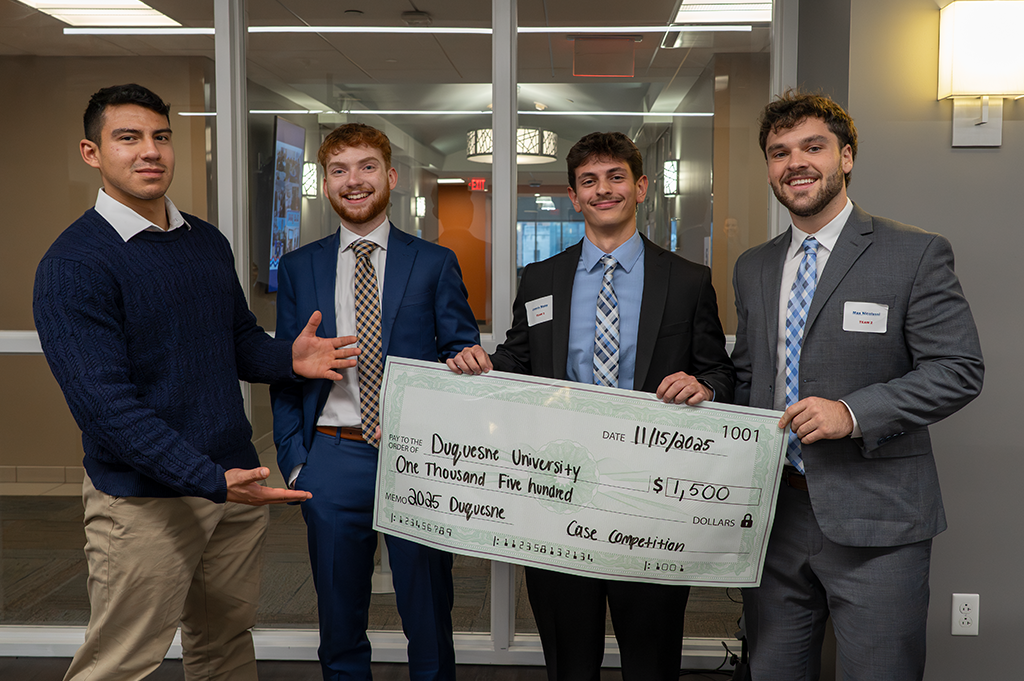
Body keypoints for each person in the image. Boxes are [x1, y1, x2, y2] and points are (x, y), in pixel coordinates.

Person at [33, 83, 359, 681]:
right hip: (145, 501)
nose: (149, 151)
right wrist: (208, 480)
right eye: (127, 138)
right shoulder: (75, 264)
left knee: (224, 644)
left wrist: (290, 358)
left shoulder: (204, 240)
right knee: (121, 661)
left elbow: (235, 340)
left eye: (160, 137)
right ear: (91, 153)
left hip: (232, 488)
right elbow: (108, 410)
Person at [447, 131, 735, 681]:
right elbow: (519, 356)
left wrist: (706, 388)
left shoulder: (688, 281)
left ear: (641, 187)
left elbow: (719, 370)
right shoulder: (541, 279)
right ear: (574, 197)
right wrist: (483, 365)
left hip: (649, 499)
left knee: (651, 659)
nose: (604, 190)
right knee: (568, 656)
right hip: (558, 491)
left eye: (615, 177)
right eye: (589, 181)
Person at [731, 91, 984, 680]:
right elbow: (749, 375)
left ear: (845, 157)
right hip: (774, 517)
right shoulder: (754, 266)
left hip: (878, 519)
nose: (795, 162)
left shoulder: (914, 253)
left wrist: (852, 411)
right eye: (778, 152)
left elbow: (958, 369)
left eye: (812, 147)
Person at [270, 122, 479, 680]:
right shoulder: (298, 268)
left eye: (365, 167)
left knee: (428, 611)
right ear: (326, 183)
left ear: (389, 177)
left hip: (415, 455)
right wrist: (296, 459)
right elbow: (286, 370)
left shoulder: (432, 262)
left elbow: (460, 346)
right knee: (339, 618)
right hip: (333, 458)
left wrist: (467, 360)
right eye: (338, 170)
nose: (353, 181)